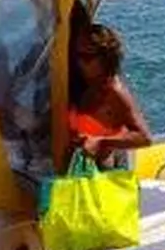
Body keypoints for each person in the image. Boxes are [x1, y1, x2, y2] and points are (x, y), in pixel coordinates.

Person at [65, 22, 152, 169]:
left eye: (87, 57)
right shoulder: (83, 84)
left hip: (104, 172)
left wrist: (101, 141)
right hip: (79, 169)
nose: (80, 63)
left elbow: (144, 138)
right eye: (76, 56)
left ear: (105, 58)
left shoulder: (114, 92)